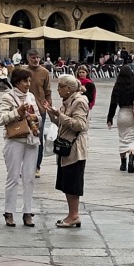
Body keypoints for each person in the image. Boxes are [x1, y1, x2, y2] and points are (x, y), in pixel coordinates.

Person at [0, 66, 41, 226]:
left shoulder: (30, 96)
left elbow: (38, 118)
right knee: (13, 176)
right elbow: (1, 119)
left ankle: (27, 212)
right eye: (25, 81)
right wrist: (17, 112)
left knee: (29, 178)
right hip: (15, 139)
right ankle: (9, 211)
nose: (28, 84)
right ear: (16, 82)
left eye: (29, 80)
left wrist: (34, 116)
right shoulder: (8, 97)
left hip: (31, 139)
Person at [51, 72, 90, 227]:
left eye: (60, 86)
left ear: (68, 88)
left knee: (73, 182)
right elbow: (61, 121)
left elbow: (80, 125)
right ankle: (72, 214)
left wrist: (60, 115)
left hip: (75, 148)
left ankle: (74, 216)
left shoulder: (79, 102)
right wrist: (52, 113)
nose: (58, 90)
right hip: (66, 147)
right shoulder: (68, 101)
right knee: (67, 182)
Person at [106, 61, 134, 174]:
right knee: (132, 139)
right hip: (132, 114)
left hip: (122, 114)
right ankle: (131, 160)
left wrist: (110, 118)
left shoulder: (117, 87)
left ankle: (123, 163)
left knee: (122, 139)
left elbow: (113, 103)